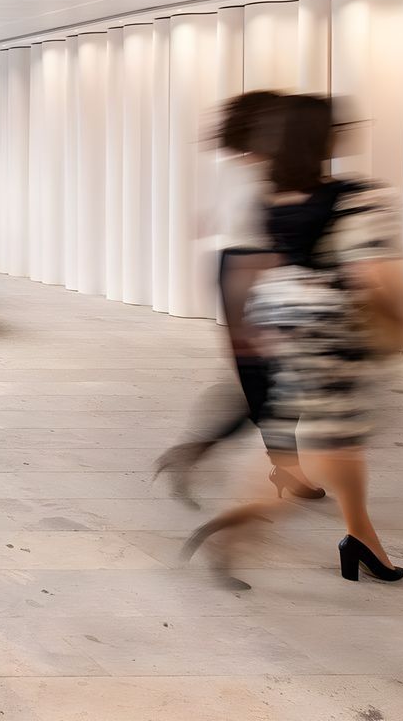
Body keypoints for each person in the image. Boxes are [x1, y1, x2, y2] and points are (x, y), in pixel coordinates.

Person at [182, 94, 403, 588]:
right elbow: (376, 279)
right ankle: (241, 521)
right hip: (340, 335)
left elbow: (247, 269)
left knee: (337, 440)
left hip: (287, 324)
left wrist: (248, 331)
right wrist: (400, 323)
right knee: (336, 441)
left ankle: (361, 538)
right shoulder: (356, 196)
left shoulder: (272, 196)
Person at [154, 91, 324, 506]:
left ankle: (285, 466)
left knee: (263, 380)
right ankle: (199, 450)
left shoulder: (229, 165)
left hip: (235, 268)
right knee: (268, 384)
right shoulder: (267, 170)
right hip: (257, 273)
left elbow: (210, 220)